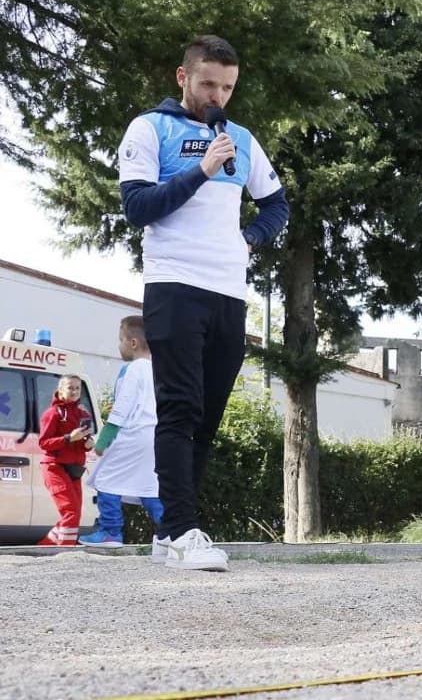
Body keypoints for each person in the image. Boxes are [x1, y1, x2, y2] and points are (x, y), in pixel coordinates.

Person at [117, 35, 290, 570]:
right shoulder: (150, 128)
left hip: (228, 291)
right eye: (209, 83)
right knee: (180, 408)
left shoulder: (241, 138)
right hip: (174, 284)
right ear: (183, 77)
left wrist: (252, 239)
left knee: (208, 416)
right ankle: (182, 529)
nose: (219, 95)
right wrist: (202, 171)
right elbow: (138, 206)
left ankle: (170, 534)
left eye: (228, 87)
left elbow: (276, 202)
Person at [80, 316, 164, 550]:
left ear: (133, 342)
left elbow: (121, 410)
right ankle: (170, 533)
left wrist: (102, 441)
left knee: (105, 479)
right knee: (150, 485)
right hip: (156, 436)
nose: (119, 346)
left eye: (121, 340)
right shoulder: (159, 369)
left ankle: (110, 532)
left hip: (134, 435)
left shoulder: (132, 370)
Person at [36, 375, 94, 546]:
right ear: (60, 390)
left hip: (74, 470)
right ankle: (66, 552)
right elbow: (43, 443)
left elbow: (83, 442)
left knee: (74, 513)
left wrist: (88, 444)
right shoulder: (52, 413)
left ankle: (44, 548)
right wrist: (69, 438)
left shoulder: (83, 414)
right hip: (54, 467)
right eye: (70, 387)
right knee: (71, 511)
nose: (74, 391)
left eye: (77, 388)